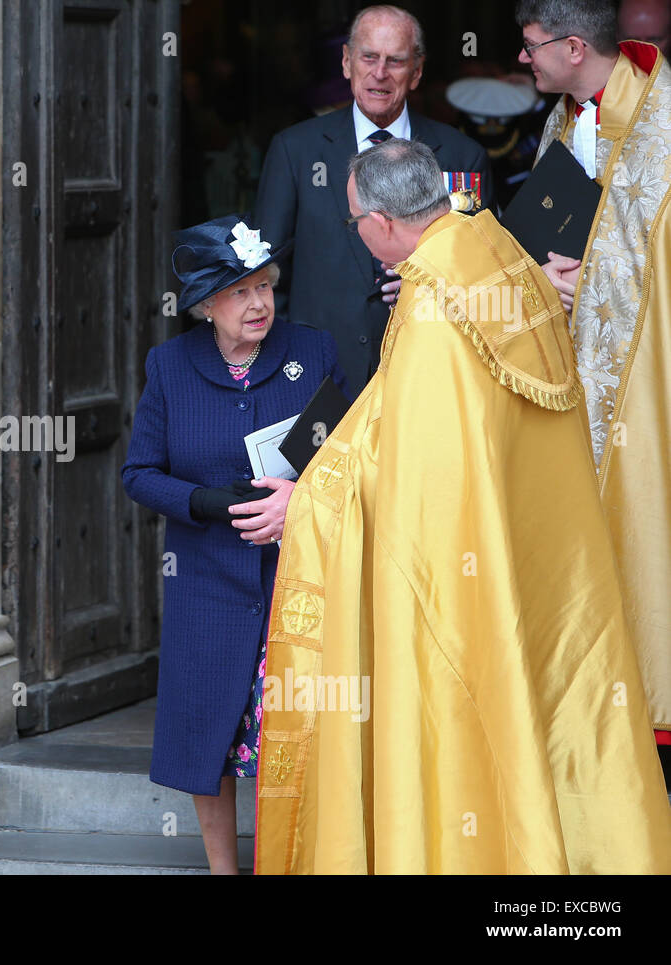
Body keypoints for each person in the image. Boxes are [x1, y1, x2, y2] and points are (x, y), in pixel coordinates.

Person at [254, 138, 671, 874]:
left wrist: (311, 498)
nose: (358, 236)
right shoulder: (497, 250)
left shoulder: (435, 308)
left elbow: (421, 479)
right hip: (545, 562)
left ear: (383, 222)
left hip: (464, 576)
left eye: (355, 223)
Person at [122, 215, 347, 874]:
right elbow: (139, 473)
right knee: (207, 734)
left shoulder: (313, 352)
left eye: (265, 287)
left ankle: (297, 859)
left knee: (298, 732)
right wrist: (204, 502)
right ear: (205, 304)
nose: (258, 304)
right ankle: (224, 868)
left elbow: (349, 455)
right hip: (206, 576)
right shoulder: (170, 366)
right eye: (240, 291)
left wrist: (300, 501)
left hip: (297, 574)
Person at [518, 0, 671, 783]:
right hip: (563, 384)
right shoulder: (566, 119)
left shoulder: (663, 127)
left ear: (575, 47)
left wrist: (584, 281)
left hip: (639, 397)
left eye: (532, 45)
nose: (523, 59)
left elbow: (651, 268)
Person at [254, 4, 494, 395]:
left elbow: (482, 271)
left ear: (416, 72)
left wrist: (430, 281)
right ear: (347, 62)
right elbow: (267, 274)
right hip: (319, 377)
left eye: (395, 61)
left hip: (430, 370)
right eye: (369, 57)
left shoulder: (461, 156)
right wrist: (284, 369)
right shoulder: (294, 150)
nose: (379, 73)